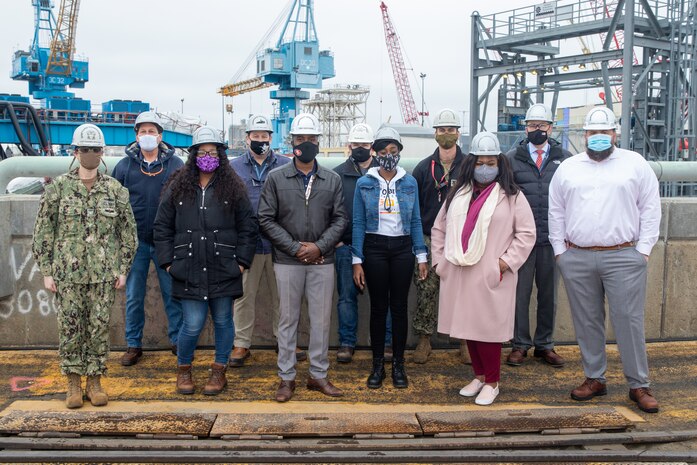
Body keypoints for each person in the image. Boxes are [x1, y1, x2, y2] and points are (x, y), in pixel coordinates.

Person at [549, 107, 661, 413]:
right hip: (578, 255)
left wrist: (644, 250)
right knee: (587, 322)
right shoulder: (568, 168)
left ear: (615, 133)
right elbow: (556, 211)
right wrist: (560, 251)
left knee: (629, 321)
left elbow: (651, 208)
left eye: (605, 132)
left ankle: (638, 384)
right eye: (593, 133)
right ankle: (594, 378)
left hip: (624, 254)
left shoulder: (635, 164)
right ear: (584, 135)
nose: (599, 138)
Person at [32, 124, 138, 409]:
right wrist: (47, 271)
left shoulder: (115, 190)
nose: (90, 154)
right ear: (75, 152)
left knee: (99, 327)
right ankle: (73, 382)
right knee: (70, 329)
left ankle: (95, 381)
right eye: (84, 150)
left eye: (95, 150)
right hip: (67, 274)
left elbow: (128, 233)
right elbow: (43, 231)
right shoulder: (57, 188)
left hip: (103, 274)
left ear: (102, 153)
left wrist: (123, 268)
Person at [431, 131, 535, 406]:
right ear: (471, 163)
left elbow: (526, 234)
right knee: (468, 329)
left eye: (491, 163)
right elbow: (439, 228)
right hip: (460, 271)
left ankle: (493, 381)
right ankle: (479, 376)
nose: (485, 169)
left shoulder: (511, 196)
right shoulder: (458, 194)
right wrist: (439, 262)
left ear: (500, 164)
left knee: (488, 331)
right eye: (480, 163)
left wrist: (504, 263)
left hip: (490, 273)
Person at [153, 126, 257, 396]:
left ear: (221, 155)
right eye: (202, 152)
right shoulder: (178, 185)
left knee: (224, 321)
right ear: (193, 155)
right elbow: (162, 227)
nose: (207, 157)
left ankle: (218, 371)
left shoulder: (232, 186)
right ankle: (184, 369)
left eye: (212, 152)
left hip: (225, 267)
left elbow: (248, 227)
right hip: (188, 267)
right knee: (192, 324)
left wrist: (242, 262)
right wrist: (168, 263)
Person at [258, 112, 348, 402]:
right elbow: (266, 218)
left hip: (323, 260)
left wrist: (319, 247)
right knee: (287, 320)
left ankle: (318, 375)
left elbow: (340, 219)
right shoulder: (276, 178)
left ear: (318, 142)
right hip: (287, 261)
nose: (306, 143)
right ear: (292, 141)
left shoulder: (331, 180)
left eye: (311, 139)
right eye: (300, 139)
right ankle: (286, 378)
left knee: (321, 320)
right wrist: (296, 247)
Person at [352, 126, 428, 389]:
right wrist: (357, 260)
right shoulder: (364, 183)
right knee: (378, 307)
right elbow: (359, 222)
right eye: (383, 151)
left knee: (399, 308)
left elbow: (416, 220)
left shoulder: (409, 182)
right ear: (375, 153)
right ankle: (376, 365)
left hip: (401, 249)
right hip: (374, 248)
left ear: (399, 153)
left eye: (393, 151)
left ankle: (398, 364)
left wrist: (421, 256)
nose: (388, 156)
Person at [229, 115, 307, 367]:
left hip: (280, 242)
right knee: (243, 296)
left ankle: (285, 341)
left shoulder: (287, 164)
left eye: (265, 136)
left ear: (271, 138)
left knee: (284, 297)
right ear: (247, 138)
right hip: (246, 242)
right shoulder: (234, 167)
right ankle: (241, 343)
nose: (260, 140)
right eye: (256, 136)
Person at [112, 111, 184, 366]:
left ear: (160, 135)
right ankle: (133, 344)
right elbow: (114, 205)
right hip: (136, 242)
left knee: (172, 293)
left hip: (166, 241)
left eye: (151, 131)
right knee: (133, 295)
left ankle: (177, 340)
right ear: (136, 136)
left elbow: (185, 202)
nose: (147, 136)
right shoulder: (124, 166)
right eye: (142, 132)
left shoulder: (176, 165)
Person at [505, 104, 571, 368]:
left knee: (548, 295)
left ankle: (545, 345)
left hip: (553, 239)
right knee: (519, 294)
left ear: (550, 128)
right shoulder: (511, 158)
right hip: (521, 240)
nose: (537, 130)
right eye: (532, 125)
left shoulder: (564, 158)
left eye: (542, 126)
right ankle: (519, 344)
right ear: (526, 127)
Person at [411, 109, 469, 364]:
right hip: (428, 239)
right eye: (442, 129)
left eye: (451, 129)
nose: (446, 134)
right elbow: (414, 210)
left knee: (463, 290)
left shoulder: (469, 166)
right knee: (426, 289)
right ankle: (424, 339)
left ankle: (465, 340)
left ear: (458, 133)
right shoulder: (423, 169)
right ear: (435, 133)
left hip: (460, 238)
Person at [333, 123, 393, 363]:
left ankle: (386, 342)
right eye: (356, 145)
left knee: (383, 296)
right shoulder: (338, 174)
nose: (360, 148)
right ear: (349, 146)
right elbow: (332, 209)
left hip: (379, 244)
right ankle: (347, 343)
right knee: (346, 297)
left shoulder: (385, 173)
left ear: (372, 147)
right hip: (347, 246)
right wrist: (337, 241)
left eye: (365, 145)